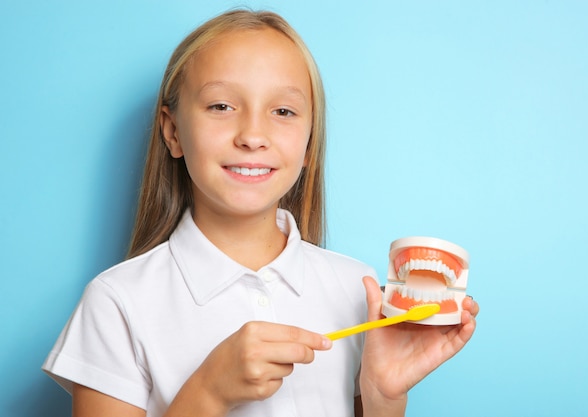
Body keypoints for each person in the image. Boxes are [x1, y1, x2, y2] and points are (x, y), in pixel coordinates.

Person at [42, 9, 479, 417]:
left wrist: (385, 397)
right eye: (221, 106)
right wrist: (208, 391)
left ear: (309, 145)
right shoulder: (116, 303)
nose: (253, 135)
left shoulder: (357, 290)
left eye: (283, 111)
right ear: (173, 132)